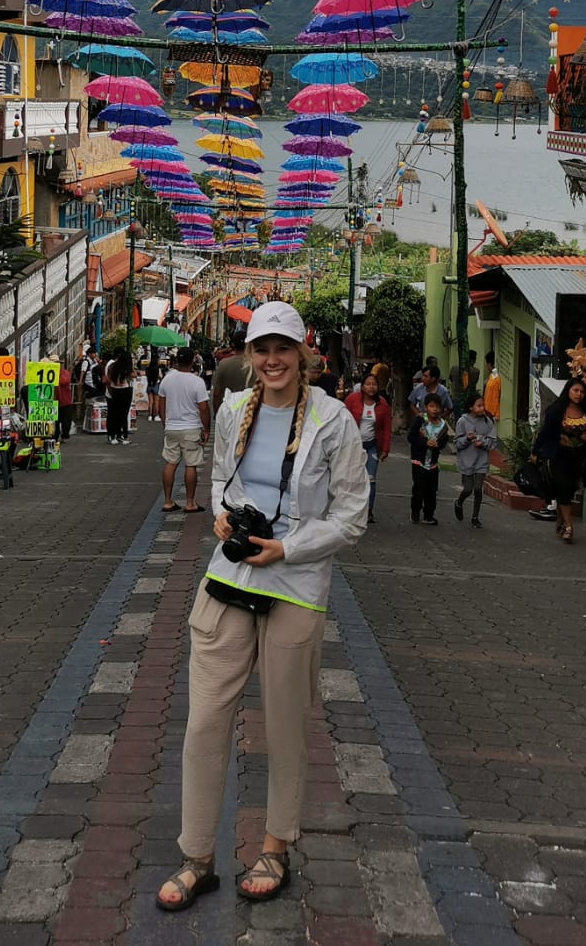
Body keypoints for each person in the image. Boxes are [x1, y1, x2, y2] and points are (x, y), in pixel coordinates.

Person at [156, 301, 367, 913]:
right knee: (204, 722)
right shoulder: (232, 410)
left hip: (294, 585)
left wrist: (288, 548)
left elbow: (352, 515)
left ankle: (275, 846)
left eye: (283, 349)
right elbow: (224, 478)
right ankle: (197, 856)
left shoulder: (332, 421)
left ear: (304, 355)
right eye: (261, 349)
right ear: (249, 355)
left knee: (282, 727)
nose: (272, 360)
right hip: (229, 577)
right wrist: (222, 513)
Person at [531, 378, 586, 544]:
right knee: (564, 485)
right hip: (559, 455)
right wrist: (535, 451)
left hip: (578, 456)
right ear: (568, 390)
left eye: (582, 392)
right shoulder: (556, 410)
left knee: (569, 489)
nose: (579, 394)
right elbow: (546, 432)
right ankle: (569, 526)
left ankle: (561, 519)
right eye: (576, 390)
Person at [159, 347, 211, 514]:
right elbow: (203, 408)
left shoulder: (167, 379)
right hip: (191, 427)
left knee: (170, 463)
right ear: (192, 362)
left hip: (172, 427)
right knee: (191, 464)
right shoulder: (197, 382)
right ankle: (190, 502)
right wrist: (207, 428)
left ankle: (167, 501)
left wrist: (165, 423)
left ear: (176, 361)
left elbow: (161, 404)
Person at [344, 372, 392, 522]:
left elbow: (386, 428)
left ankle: (368, 510)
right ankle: (350, 508)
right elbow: (342, 420)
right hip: (353, 446)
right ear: (362, 386)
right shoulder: (352, 400)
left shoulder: (382, 404)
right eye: (368, 384)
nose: (371, 387)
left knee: (370, 478)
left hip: (371, 446)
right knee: (352, 479)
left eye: (374, 384)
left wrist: (385, 449)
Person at [454, 390, 498, 528]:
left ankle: (475, 517)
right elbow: (457, 443)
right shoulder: (462, 421)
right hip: (466, 461)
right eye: (479, 405)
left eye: (483, 405)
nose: (482, 408)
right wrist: (467, 438)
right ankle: (459, 502)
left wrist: (482, 443)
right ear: (470, 407)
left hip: (481, 460)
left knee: (478, 488)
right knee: (468, 489)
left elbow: (493, 440)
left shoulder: (487, 421)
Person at [408, 391, 448, 525]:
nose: (435, 409)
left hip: (433, 463)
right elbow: (411, 437)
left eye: (437, 407)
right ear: (426, 407)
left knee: (431, 490)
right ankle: (415, 511)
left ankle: (429, 514)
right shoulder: (420, 420)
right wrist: (425, 443)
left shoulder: (442, 425)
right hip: (419, 460)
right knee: (419, 488)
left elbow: (444, 441)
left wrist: (438, 445)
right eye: (431, 406)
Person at [212, 328, 252, 415]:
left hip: (228, 412)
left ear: (233, 345)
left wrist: (217, 414)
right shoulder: (256, 365)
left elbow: (216, 394)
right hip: (250, 412)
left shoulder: (224, 364)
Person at [103, 351, 134, 446]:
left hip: (115, 390)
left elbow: (106, 379)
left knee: (115, 413)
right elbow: (134, 375)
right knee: (124, 414)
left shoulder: (113, 367)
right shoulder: (127, 368)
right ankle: (125, 437)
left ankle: (113, 437)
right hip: (126, 390)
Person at [482, 351, 501, 423]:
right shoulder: (493, 376)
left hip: (491, 412)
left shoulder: (495, 379)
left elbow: (496, 397)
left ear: (489, 364)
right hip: (489, 411)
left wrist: (496, 414)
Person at [57, 364, 74, 441]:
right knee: (55, 421)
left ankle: (65, 435)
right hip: (54, 401)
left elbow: (63, 381)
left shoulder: (65, 373)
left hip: (65, 401)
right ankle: (56, 435)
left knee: (66, 421)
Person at [147, 347, 162, 421]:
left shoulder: (148, 369)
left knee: (150, 402)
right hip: (156, 385)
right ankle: (156, 416)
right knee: (156, 402)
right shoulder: (157, 369)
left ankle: (149, 416)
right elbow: (160, 377)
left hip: (149, 385)